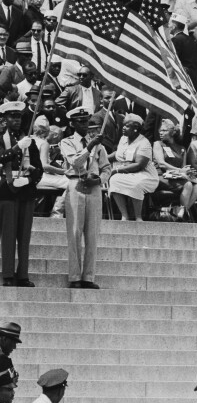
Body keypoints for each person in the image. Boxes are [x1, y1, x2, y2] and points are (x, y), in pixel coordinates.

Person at [60, 109, 109, 289]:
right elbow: (75, 163)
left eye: (86, 121)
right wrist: (89, 147)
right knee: (74, 232)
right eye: (79, 121)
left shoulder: (98, 144)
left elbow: (106, 167)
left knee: (92, 233)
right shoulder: (67, 142)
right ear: (72, 124)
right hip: (76, 185)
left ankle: (88, 276)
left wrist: (100, 179)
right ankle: (74, 276)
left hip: (94, 188)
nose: (84, 125)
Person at [0, 101, 42, 288]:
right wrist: (17, 148)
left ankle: (22, 274)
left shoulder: (29, 140)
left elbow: (39, 168)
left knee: (24, 236)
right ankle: (8, 274)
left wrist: (30, 179)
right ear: (4, 119)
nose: (16, 120)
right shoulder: (1, 138)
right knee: (8, 235)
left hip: (25, 190)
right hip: (7, 191)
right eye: (12, 117)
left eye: (19, 117)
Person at [108, 114, 159, 221]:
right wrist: (103, 158)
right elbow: (118, 153)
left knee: (136, 184)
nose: (123, 128)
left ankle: (138, 217)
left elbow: (139, 165)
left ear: (135, 129)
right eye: (123, 125)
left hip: (145, 174)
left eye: (127, 126)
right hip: (127, 173)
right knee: (114, 180)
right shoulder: (123, 139)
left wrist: (116, 170)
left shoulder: (144, 143)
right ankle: (124, 215)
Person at [153, 118, 197, 218]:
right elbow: (161, 164)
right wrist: (181, 171)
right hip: (161, 176)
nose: (161, 132)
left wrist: (188, 172)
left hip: (177, 177)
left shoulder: (182, 148)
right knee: (188, 185)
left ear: (173, 132)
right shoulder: (158, 144)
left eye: (164, 130)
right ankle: (183, 215)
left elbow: (184, 168)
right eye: (160, 130)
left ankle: (181, 212)